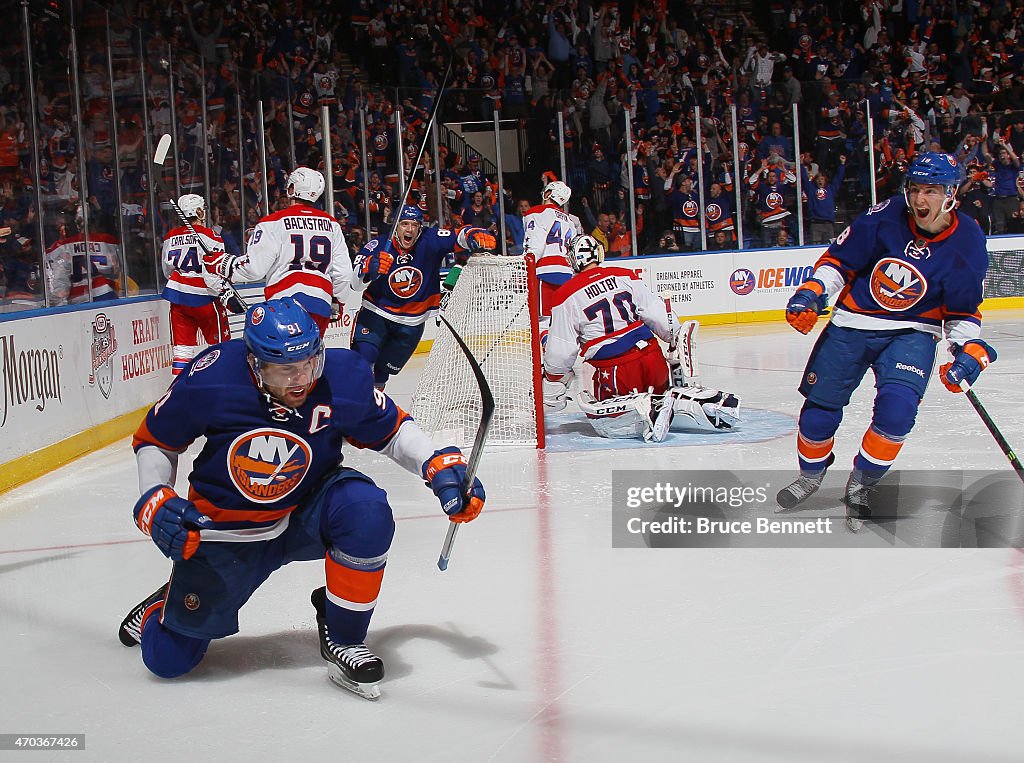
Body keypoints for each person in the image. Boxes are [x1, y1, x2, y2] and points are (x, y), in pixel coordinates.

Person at [118, 297, 485, 701]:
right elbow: (157, 440)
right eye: (284, 370)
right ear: (255, 365)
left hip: (307, 509)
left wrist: (435, 464)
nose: (300, 379)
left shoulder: (342, 377)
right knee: (168, 660)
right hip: (228, 531)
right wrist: (155, 497)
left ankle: (344, 635)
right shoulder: (210, 378)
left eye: (310, 363)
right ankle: (164, 602)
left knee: (366, 512)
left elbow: (392, 429)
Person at [777, 152, 993, 531]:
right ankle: (812, 475)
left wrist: (967, 349)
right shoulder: (885, 215)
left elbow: (961, 309)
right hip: (851, 323)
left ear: (951, 194)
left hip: (914, 332)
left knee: (896, 415)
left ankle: (861, 485)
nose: (920, 200)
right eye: (915, 189)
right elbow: (840, 263)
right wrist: (813, 291)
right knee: (818, 413)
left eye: (931, 190)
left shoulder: (968, 240)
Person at [541, 235, 740, 441]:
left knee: (603, 425)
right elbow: (662, 320)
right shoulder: (624, 275)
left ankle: (643, 407)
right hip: (653, 358)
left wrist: (553, 378)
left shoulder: (565, 294)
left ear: (572, 260)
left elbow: (562, 351)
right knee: (663, 394)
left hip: (616, 369)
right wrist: (672, 337)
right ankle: (704, 403)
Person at [350, 204, 495, 388]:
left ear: (420, 227)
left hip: (412, 322)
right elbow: (354, 283)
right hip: (376, 312)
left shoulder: (430, 239)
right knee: (363, 358)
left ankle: (373, 408)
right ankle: (356, 407)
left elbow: (458, 236)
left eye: (414, 225)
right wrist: (370, 267)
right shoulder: (378, 245)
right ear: (395, 226)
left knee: (382, 373)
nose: (409, 229)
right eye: (404, 224)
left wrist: (472, 234)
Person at [208, 167, 352, 335]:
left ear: (292, 189)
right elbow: (344, 273)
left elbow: (255, 268)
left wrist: (225, 264)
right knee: (311, 358)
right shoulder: (332, 224)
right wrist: (338, 300)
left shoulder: (273, 222)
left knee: (282, 359)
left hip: (284, 305)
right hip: (320, 304)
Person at [161, 194, 234, 376]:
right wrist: (225, 292)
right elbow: (216, 272)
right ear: (200, 211)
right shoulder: (212, 236)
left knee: (182, 350)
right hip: (206, 298)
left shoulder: (171, 236)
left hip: (178, 296)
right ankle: (220, 385)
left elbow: (167, 269)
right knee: (220, 347)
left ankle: (179, 392)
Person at [522, 179, 583, 320]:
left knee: (543, 320)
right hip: (567, 274)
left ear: (548, 193)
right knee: (563, 321)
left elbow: (535, 247)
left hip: (544, 272)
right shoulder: (570, 220)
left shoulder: (537, 212)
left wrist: (524, 269)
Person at [44, 206, 121, 305]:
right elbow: (119, 271)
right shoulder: (109, 242)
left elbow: (58, 290)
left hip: (80, 300)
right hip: (108, 294)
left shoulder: (62, 247)